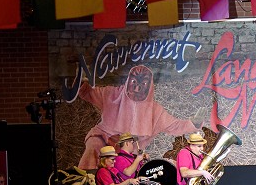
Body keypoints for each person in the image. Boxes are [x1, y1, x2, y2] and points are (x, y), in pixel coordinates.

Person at [74, 63, 203, 169]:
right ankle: (85, 181)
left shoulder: (155, 111)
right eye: (134, 82)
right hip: (104, 137)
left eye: (143, 85)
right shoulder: (111, 94)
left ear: (149, 88)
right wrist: (80, 82)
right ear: (128, 82)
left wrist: (193, 123)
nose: (136, 89)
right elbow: (89, 93)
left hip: (130, 149)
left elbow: (175, 126)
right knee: (94, 145)